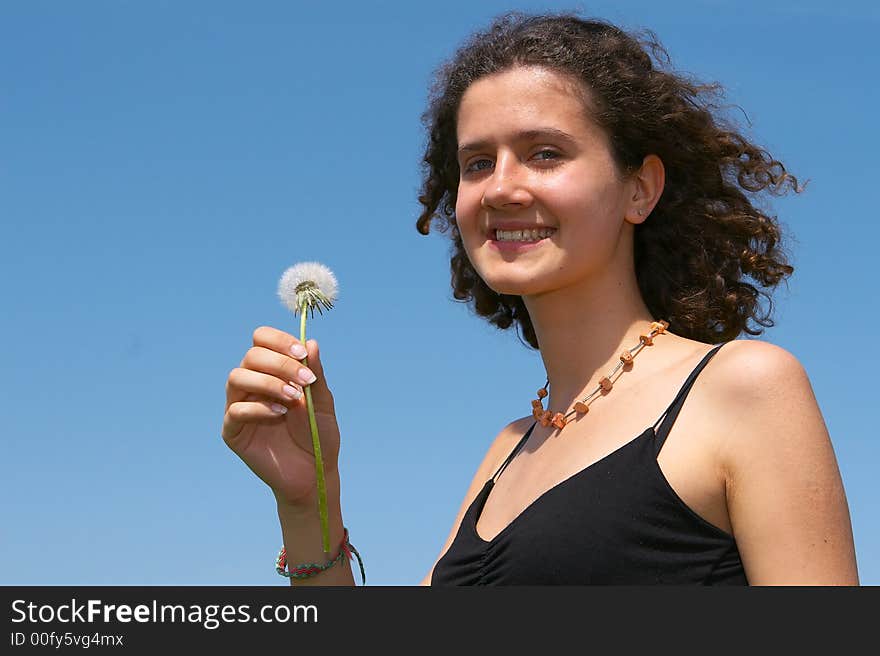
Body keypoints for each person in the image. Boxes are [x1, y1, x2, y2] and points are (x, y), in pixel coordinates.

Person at [221, 11, 859, 585]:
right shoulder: (506, 452)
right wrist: (310, 504)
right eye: (476, 163)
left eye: (544, 153)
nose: (501, 188)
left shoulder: (743, 388)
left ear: (640, 190)